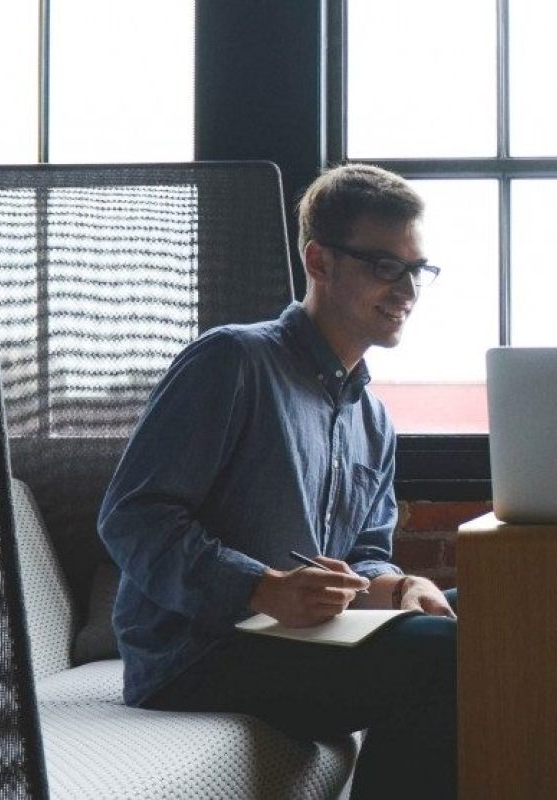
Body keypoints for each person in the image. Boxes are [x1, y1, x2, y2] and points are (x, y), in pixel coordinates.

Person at [98, 163, 458, 798]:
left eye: (418, 270)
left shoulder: (372, 419)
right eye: (385, 266)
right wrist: (261, 588)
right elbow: (133, 516)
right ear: (319, 262)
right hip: (196, 655)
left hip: (301, 645)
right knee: (445, 657)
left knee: (494, 628)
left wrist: (395, 583)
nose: (408, 289)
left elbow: (365, 554)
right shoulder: (232, 361)